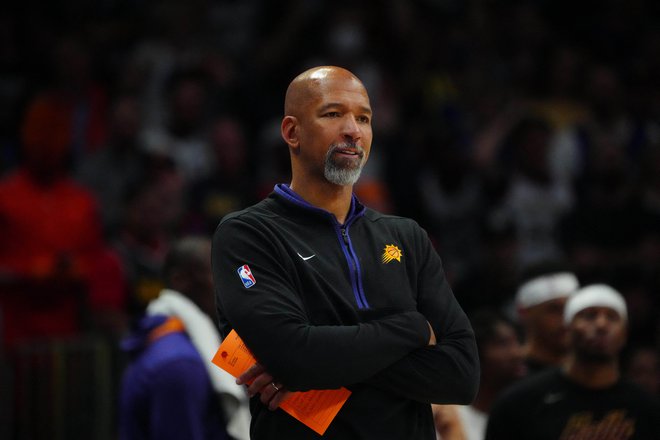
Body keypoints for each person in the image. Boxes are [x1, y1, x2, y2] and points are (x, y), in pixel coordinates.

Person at [211, 65, 479, 439]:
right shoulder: (248, 234)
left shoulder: (407, 237)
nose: (353, 130)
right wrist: (414, 328)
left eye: (364, 118)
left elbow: (461, 377)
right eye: (333, 114)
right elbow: (294, 357)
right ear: (292, 132)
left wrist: (322, 361)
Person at [486, 284, 660, 439]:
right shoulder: (519, 404)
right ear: (567, 330)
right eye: (589, 316)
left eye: (612, 317)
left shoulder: (646, 407)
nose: (601, 325)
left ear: (625, 334)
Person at [119, 237, 250, 440]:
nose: (229, 285)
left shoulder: (168, 337)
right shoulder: (180, 363)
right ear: (181, 280)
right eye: (217, 273)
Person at [433, 309, 527, 440]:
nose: (518, 353)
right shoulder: (446, 417)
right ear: (476, 355)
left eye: (517, 342)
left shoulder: (529, 413)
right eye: (504, 344)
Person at [514, 262, 579, 374]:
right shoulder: (507, 374)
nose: (566, 319)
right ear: (523, 313)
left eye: (572, 308)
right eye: (554, 309)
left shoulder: (593, 375)